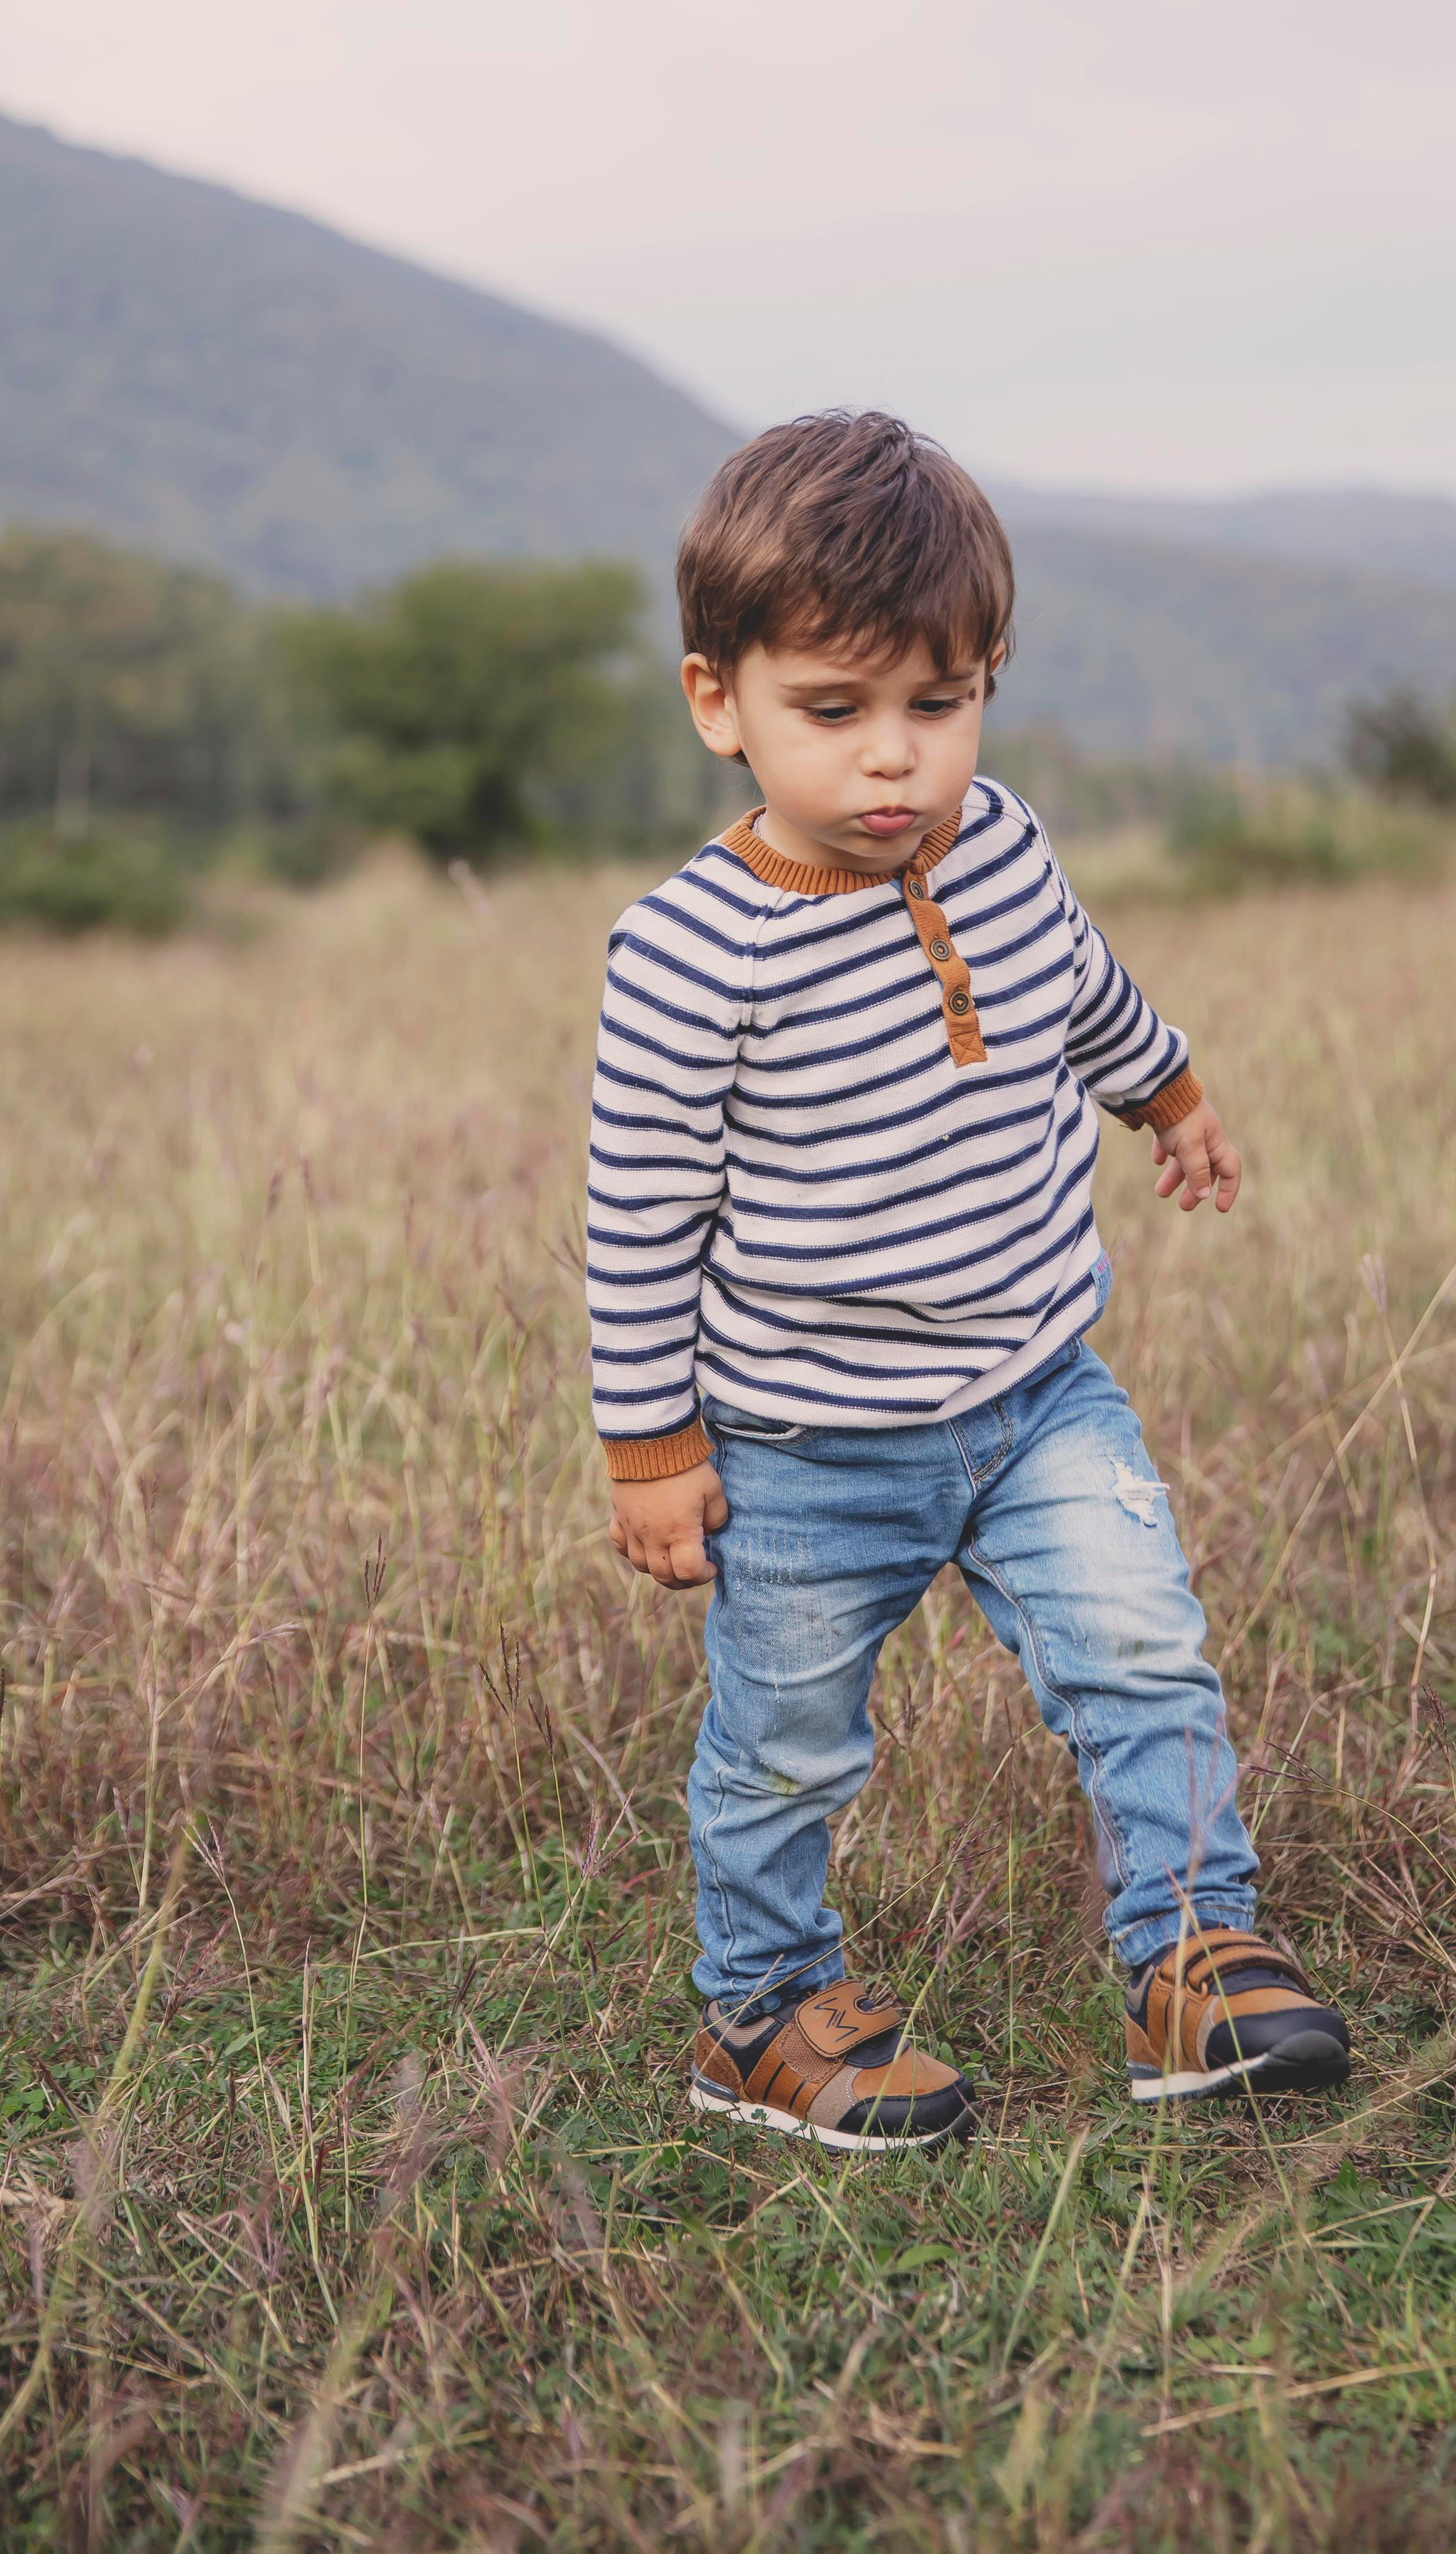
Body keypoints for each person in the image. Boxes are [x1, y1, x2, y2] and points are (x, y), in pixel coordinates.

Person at [586, 412, 1351, 2150]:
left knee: (1143, 1658)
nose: (894, 761)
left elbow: (1080, 990)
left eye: (936, 705)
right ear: (718, 702)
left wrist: (1167, 1093)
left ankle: (1190, 1958)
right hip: (803, 1446)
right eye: (831, 711)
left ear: (984, 687)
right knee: (786, 1743)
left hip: (1036, 1394)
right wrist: (650, 1450)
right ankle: (762, 2017)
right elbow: (634, 1220)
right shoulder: (692, 954)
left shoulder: (997, 843)